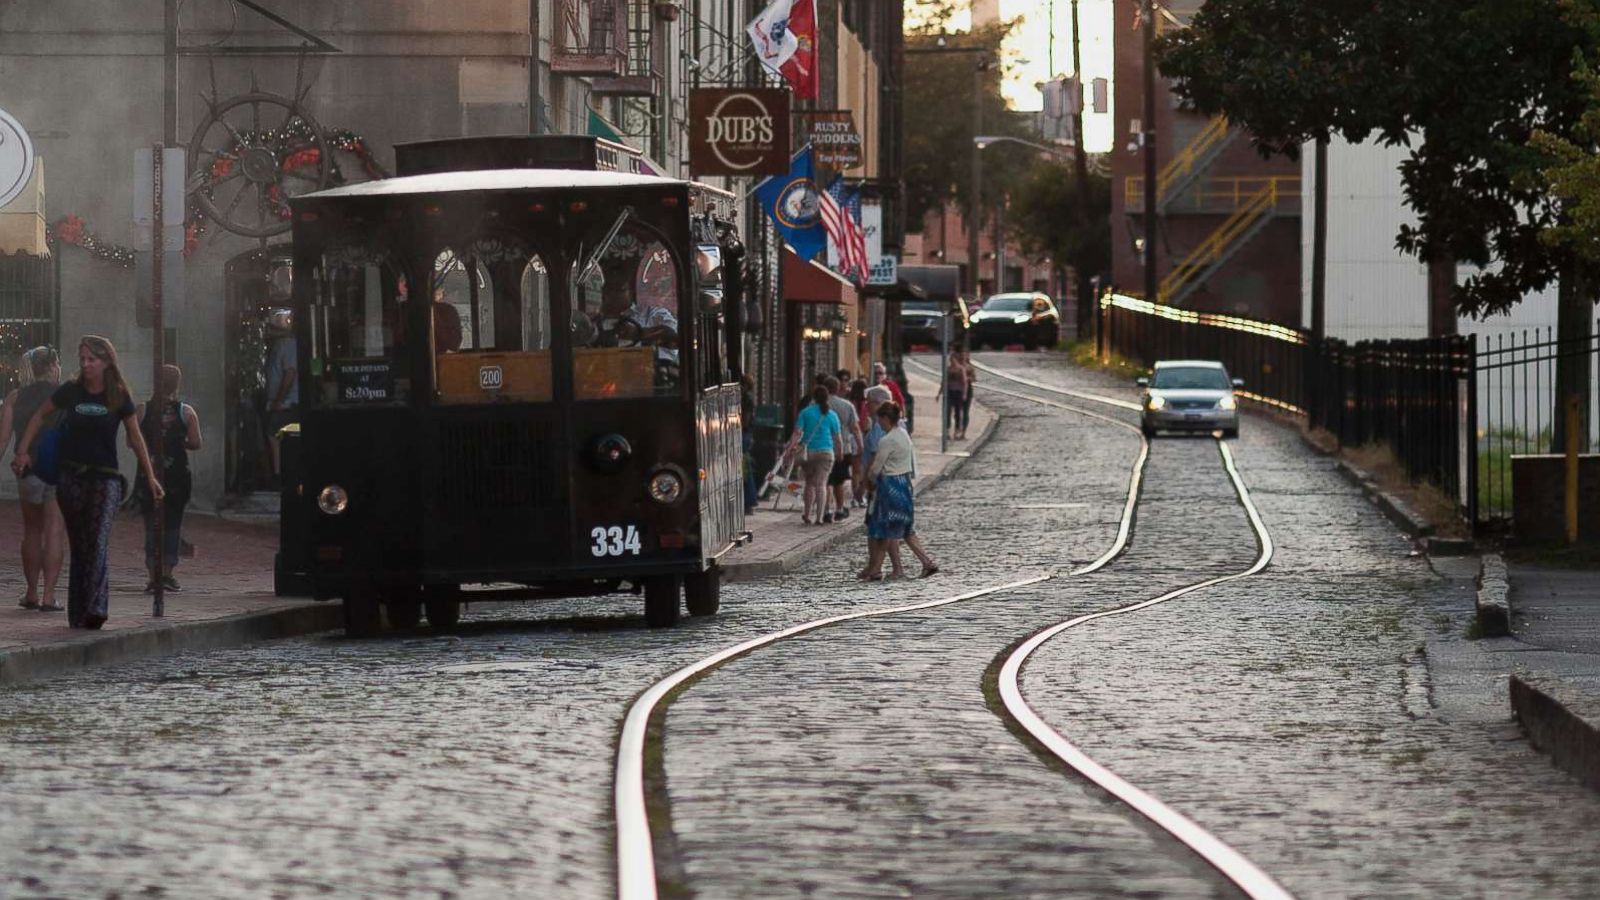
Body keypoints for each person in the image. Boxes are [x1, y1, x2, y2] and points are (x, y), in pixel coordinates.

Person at [12, 336, 164, 629]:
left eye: (91, 359)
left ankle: (96, 606)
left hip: (105, 479)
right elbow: (40, 416)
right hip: (72, 477)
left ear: (106, 362)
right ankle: (78, 609)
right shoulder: (71, 391)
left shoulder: (118, 394)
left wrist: (150, 476)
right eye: (82, 359)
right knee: (80, 543)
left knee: (97, 540)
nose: (86, 365)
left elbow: (135, 437)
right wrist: (23, 451)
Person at [0, 347, 66, 611]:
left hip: (27, 468)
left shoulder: (16, 397)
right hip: (59, 468)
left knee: (32, 529)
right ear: (52, 366)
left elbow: (3, 440)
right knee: (54, 530)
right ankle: (49, 595)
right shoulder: (65, 395)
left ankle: (31, 592)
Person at [133, 364, 201, 593]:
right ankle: (167, 574)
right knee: (173, 524)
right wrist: (177, 442)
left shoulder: (143, 410)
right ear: (176, 385)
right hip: (177, 476)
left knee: (152, 525)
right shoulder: (186, 412)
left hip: (148, 474)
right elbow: (196, 442)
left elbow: (131, 441)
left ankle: (153, 574)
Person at [860, 402, 937, 580]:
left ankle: (876, 570)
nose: (878, 423)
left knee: (885, 529)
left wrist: (869, 483)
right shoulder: (904, 434)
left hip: (889, 486)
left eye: (879, 419)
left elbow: (876, 468)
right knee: (906, 529)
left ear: (886, 418)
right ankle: (926, 562)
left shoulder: (887, 440)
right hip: (904, 484)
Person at [787, 384, 841, 525]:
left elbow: (797, 433)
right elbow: (837, 437)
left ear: (814, 398)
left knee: (809, 484)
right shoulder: (832, 415)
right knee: (821, 484)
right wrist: (840, 452)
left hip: (808, 453)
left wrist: (790, 449)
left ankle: (807, 514)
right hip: (826, 452)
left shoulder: (805, 412)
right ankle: (820, 517)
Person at [821, 375, 862, 523]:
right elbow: (855, 428)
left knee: (826, 482)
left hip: (822, 447)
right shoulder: (847, 405)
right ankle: (839, 508)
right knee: (839, 481)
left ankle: (826, 510)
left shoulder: (817, 406)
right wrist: (860, 444)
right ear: (838, 388)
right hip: (843, 448)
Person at [264, 309, 298, 480]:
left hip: (286, 402)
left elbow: (289, 373)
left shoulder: (288, 344)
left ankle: (278, 473)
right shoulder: (281, 345)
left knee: (274, 433)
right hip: (280, 401)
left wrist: (279, 399)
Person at [941, 351, 971, 440]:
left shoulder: (961, 369)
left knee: (958, 412)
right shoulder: (948, 369)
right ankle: (947, 430)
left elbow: (965, 382)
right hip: (950, 392)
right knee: (948, 411)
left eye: (953, 359)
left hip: (958, 392)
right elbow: (944, 381)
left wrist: (964, 393)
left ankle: (957, 430)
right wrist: (940, 393)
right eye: (951, 360)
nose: (952, 361)